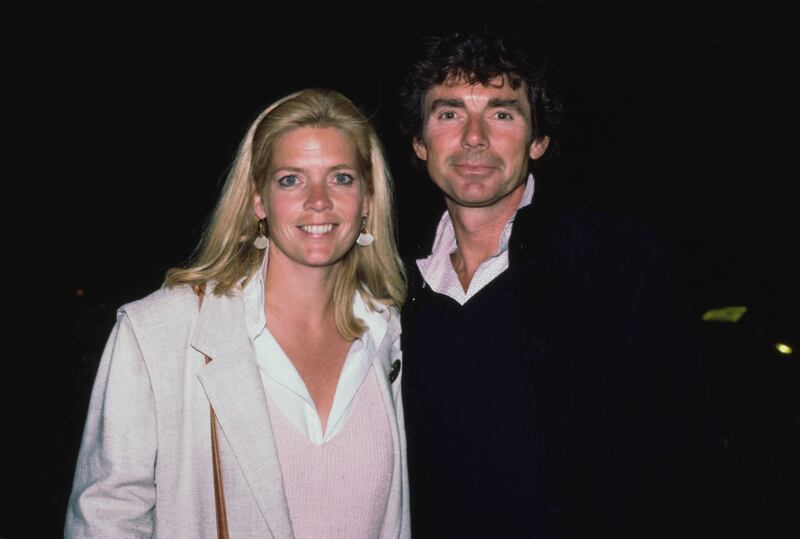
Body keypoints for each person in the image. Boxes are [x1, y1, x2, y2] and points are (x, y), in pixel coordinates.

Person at [398, 23, 724, 538]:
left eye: (502, 113)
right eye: (449, 113)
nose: (474, 137)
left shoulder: (617, 262)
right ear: (420, 142)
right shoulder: (390, 286)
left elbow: (686, 459)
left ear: (538, 141)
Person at [65, 89, 410, 538]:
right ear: (258, 201)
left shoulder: (387, 332)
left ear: (367, 200)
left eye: (341, 178)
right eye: (291, 179)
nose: (318, 200)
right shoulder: (160, 332)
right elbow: (106, 518)